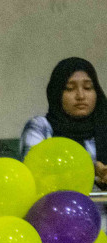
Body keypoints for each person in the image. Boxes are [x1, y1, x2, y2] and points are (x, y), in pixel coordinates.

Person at [20, 57, 106, 188]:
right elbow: (34, 176)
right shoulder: (40, 127)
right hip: (55, 206)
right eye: (70, 88)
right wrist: (90, 170)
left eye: (88, 88)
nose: (81, 96)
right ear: (57, 94)